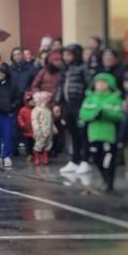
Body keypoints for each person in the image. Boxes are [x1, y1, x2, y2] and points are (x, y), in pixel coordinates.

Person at [79, 72, 125, 192]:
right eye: (98, 82)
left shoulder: (115, 99)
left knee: (108, 160)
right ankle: (104, 179)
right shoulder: (90, 98)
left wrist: (106, 114)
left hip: (109, 134)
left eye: (103, 82)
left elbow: (119, 116)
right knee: (96, 158)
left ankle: (109, 183)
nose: (100, 85)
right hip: (94, 134)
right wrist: (94, 115)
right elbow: (83, 114)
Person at [55, 44, 91, 176]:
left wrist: (87, 104)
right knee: (73, 134)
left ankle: (85, 161)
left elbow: (89, 85)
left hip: (80, 105)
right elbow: (60, 87)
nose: (65, 57)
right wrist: (58, 103)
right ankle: (74, 161)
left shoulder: (83, 68)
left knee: (83, 134)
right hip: (68, 106)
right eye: (64, 54)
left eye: (68, 54)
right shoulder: (66, 69)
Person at [30, 91, 55, 170]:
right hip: (40, 130)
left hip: (48, 130)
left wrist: (53, 128)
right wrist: (37, 129)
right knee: (39, 143)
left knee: (48, 143)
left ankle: (45, 155)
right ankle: (37, 156)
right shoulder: (36, 110)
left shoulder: (48, 110)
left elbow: (51, 120)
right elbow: (34, 120)